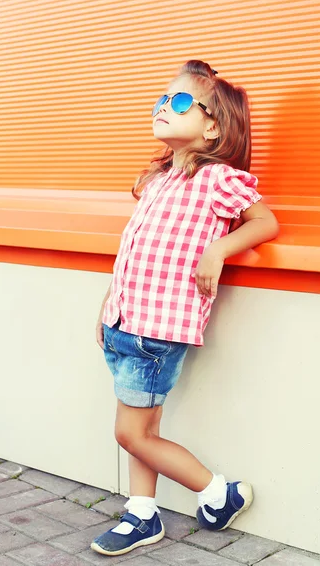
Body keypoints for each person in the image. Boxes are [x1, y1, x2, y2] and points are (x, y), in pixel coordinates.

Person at [91, 60, 279, 556]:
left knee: (130, 434)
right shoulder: (158, 181)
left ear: (213, 125)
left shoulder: (218, 180)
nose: (162, 107)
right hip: (126, 323)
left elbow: (265, 222)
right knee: (144, 431)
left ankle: (219, 493)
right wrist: (109, 302)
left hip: (159, 331)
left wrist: (217, 250)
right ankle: (142, 514)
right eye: (161, 99)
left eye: (177, 102)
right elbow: (134, 249)